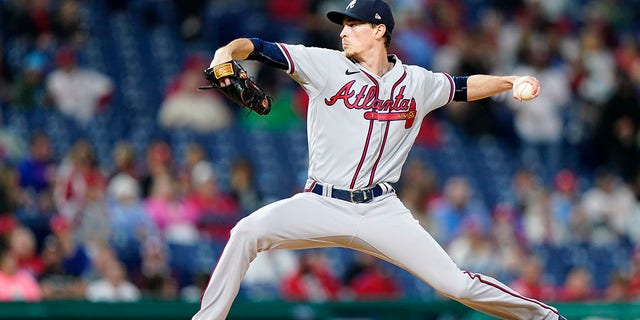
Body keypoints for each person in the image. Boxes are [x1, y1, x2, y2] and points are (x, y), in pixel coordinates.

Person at [193, 1, 565, 319]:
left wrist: (508, 81)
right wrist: (226, 52)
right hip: (321, 201)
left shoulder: (417, 82)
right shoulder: (324, 64)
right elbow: (257, 47)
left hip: (381, 210)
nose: (343, 32)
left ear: (379, 30)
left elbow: (463, 86)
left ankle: (545, 316)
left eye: (353, 25)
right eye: (343, 25)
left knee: (455, 284)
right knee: (246, 232)